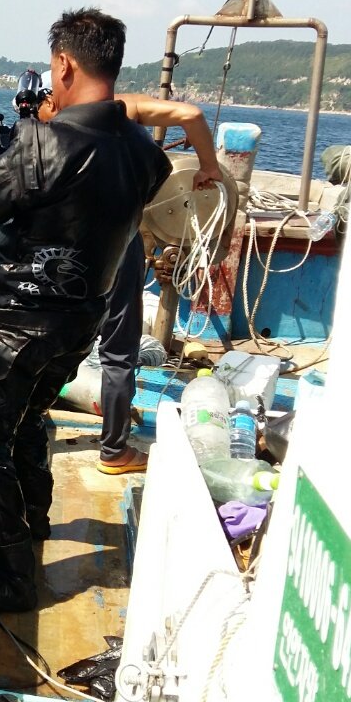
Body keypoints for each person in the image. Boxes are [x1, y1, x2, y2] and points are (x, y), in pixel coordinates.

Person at [0, 8, 173, 614]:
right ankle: (36, 526)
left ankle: (17, 579)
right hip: (76, 327)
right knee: (28, 423)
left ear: (65, 64)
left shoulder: (44, 143)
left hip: (14, 328)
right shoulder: (145, 153)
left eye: (53, 69)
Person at [94, 96, 222, 475]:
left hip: (63, 240)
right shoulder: (123, 107)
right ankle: (114, 451)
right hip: (119, 238)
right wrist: (209, 167)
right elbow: (192, 115)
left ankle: (28, 422)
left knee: (58, 336)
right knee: (118, 350)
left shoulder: (53, 110)